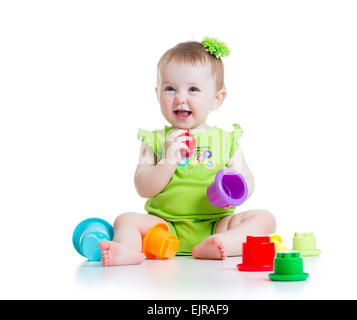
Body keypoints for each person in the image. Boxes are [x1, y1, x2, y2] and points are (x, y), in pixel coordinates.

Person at [99, 37, 276, 266]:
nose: (180, 98)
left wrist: (235, 192)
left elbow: (247, 180)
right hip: (164, 228)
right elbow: (143, 188)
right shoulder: (153, 140)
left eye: (193, 89)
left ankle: (222, 243)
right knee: (125, 220)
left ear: (216, 99)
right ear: (157, 95)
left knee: (265, 219)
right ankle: (129, 251)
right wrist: (168, 160)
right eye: (170, 89)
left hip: (216, 223)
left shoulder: (226, 140)